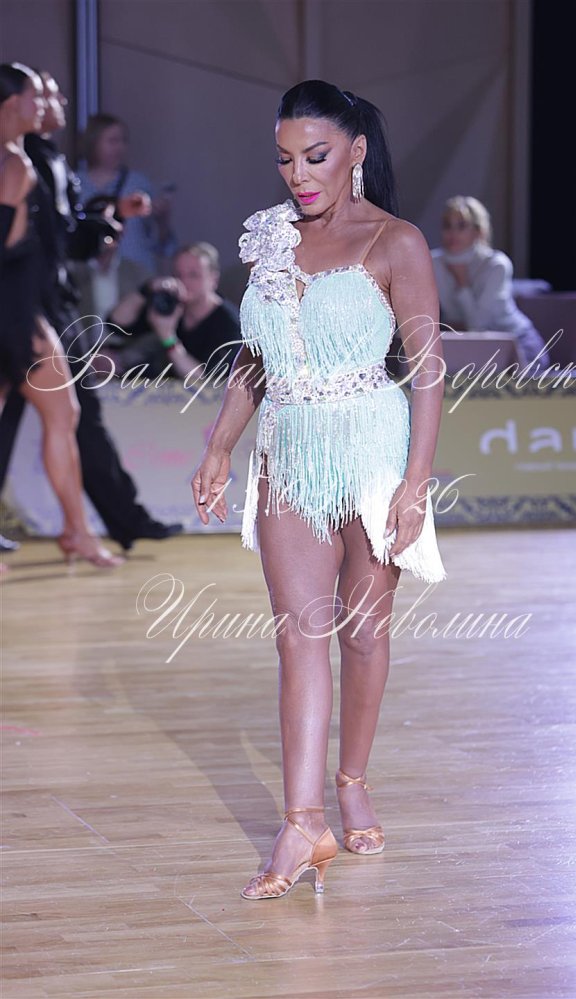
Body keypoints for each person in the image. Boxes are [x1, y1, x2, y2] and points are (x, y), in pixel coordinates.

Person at [191, 79, 446, 900]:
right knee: (298, 635)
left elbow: (429, 370)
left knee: (363, 635)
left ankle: (351, 781)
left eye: (315, 156)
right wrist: (220, 445)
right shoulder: (270, 239)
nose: (298, 175)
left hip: (372, 451)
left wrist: (416, 482)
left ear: (355, 152)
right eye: (285, 159)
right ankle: (303, 821)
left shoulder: (396, 242)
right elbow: (254, 356)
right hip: (289, 450)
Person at [0, 63, 122, 567]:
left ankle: (78, 531)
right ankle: (79, 532)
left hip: (24, 310)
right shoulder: (13, 164)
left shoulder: (20, 159)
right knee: (62, 413)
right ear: (12, 104)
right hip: (12, 310)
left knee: (63, 412)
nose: (46, 104)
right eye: (36, 95)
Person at [431, 195, 550, 367]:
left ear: (478, 231)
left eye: (461, 225)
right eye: (447, 225)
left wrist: (462, 284)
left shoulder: (496, 264)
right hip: (466, 344)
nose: (453, 233)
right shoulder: (433, 262)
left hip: (516, 343)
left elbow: (478, 326)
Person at [107, 242, 241, 381]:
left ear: (213, 279)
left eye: (193, 275)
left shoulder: (230, 325)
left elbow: (204, 381)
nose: (184, 281)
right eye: (178, 274)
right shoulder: (171, 304)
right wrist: (147, 289)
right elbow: (116, 322)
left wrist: (168, 338)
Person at [78, 113, 176, 274]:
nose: (119, 147)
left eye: (123, 141)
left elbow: (162, 245)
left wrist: (162, 219)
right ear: (93, 142)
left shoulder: (138, 183)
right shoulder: (75, 184)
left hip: (135, 272)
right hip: (88, 274)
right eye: (112, 141)